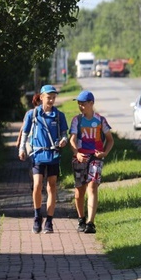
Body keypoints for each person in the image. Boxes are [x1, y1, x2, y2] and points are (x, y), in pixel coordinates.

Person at [18, 85, 69, 234]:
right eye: (49, 97)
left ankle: (49, 221)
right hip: (37, 155)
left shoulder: (59, 116)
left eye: (54, 97)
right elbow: (25, 133)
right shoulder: (32, 114)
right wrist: (22, 149)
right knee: (37, 185)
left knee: (52, 186)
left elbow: (65, 135)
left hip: (53, 155)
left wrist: (64, 141)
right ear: (41, 97)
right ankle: (36, 216)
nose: (52, 100)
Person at [69, 90, 114, 234]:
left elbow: (110, 139)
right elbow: (72, 139)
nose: (80, 106)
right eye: (79, 104)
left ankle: (91, 223)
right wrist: (77, 153)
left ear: (91, 103)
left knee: (93, 186)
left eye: (83, 103)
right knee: (79, 192)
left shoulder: (100, 120)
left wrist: (105, 153)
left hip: (96, 157)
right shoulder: (77, 120)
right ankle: (81, 219)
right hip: (80, 157)